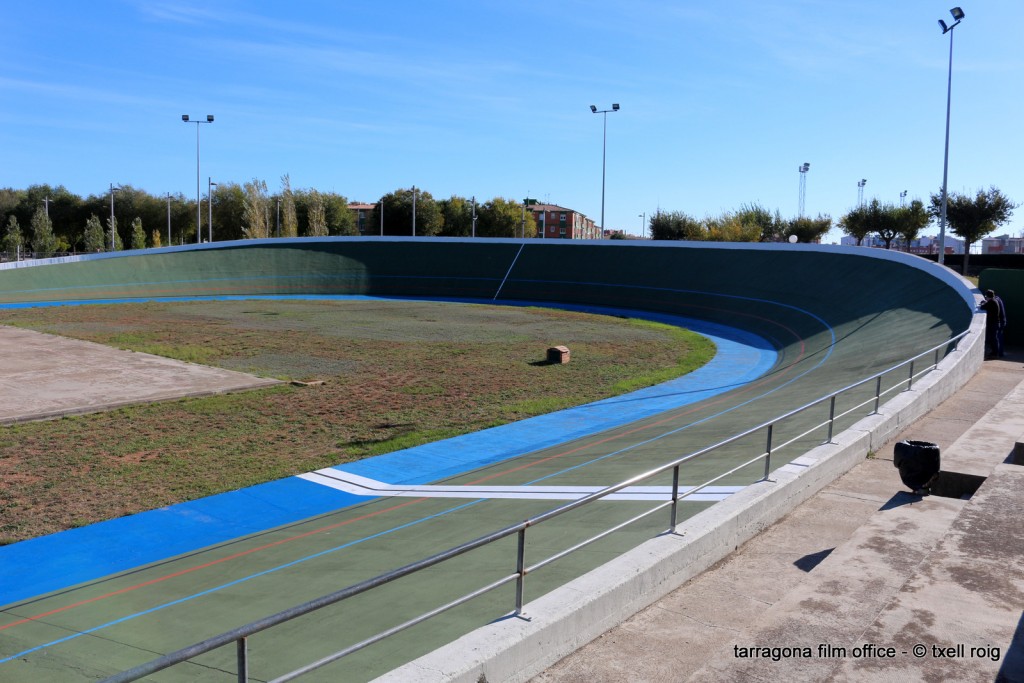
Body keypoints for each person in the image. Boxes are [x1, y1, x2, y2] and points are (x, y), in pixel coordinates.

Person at [978, 289, 1008, 358]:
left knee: (994, 339)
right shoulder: (994, 301)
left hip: (994, 324)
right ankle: (995, 353)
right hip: (996, 323)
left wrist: (983, 303)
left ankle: (995, 354)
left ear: (988, 296)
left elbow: (982, 307)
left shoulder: (992, 302)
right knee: (994, 338)